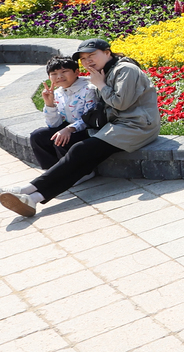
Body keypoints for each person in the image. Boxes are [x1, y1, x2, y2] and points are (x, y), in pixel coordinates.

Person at [2, 39, 160, 218]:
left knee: (80, 150)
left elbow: (121, 104)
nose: (87, 61)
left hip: (137, 126)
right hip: (117, 126)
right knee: (80, 154)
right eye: (83, 58)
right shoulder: (104, 71)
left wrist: (100, 84)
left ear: (107, 52)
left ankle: (28, 189)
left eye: (92, 55)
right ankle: (34, 198)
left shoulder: (125, 70)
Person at [29, 56, 98, 172]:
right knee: (38, 136)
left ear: (77, 72)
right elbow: (54, 125)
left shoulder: (89, 89)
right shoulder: (57, 93)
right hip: (69, 128)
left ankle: (81, 173)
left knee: (63, 139)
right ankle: (53, 171)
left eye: (64, 72)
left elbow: (90, 118)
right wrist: (50, 104)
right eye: (54, 73)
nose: (59, 76)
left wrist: (69, 129)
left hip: (88, 130)